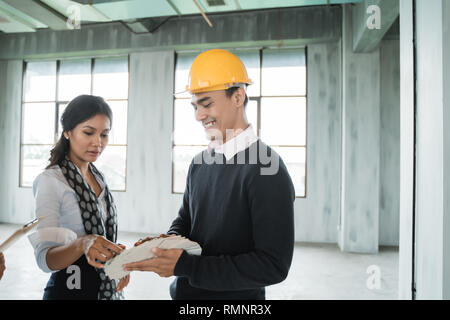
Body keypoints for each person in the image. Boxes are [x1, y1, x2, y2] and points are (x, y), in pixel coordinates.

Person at [124, 49, 295, 300]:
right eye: (195, 106)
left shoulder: (267, 170)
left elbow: (272, 265)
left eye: (207, 104)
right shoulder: (200, 163)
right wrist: (168, 245)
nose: (198, 116)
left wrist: (186, 266)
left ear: (238, 97)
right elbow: (185, 221)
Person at [28, 95, 129, 300]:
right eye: (88, 132)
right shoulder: (50, 181)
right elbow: (44, 259)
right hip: (68, 292)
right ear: (67, 131)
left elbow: (103, 238)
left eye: (104, 134)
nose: (97, 143)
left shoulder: (99, 178)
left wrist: (118, 260)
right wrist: (83, 243)